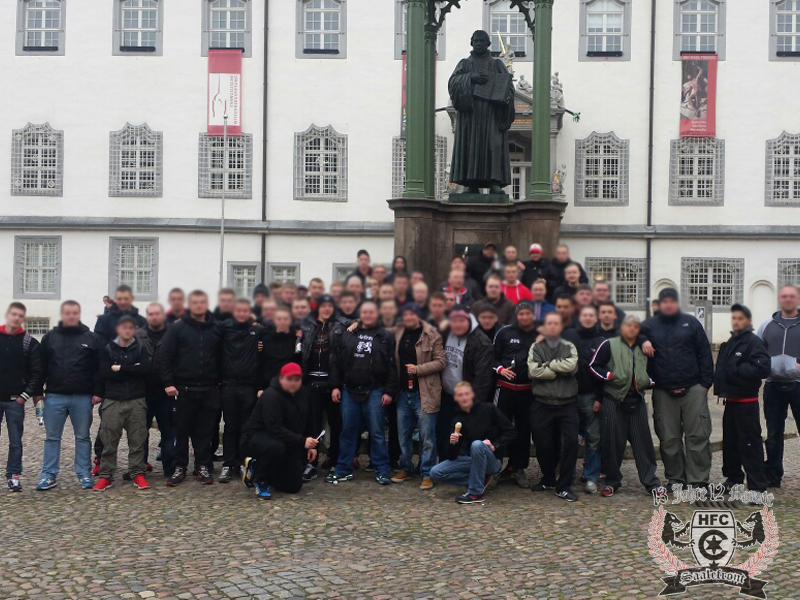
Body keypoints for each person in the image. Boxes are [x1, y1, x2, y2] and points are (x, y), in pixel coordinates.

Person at [641, 288, 714, 489]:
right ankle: (676, 479)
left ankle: (698, 480)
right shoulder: (649, 325)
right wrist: (643, 339)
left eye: (672, 301)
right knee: (669, 438)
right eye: (665, 301)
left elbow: (704, 352)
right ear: (659, 304)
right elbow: (632, 334)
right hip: (663, 390)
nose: (668, 305)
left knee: (697, 436)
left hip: (693, 388)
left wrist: (705, 383)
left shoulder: (690, 323)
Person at [589, 315, 662, 496]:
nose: (631, 329)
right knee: (612, 444)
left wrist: (649, 381)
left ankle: (651, 483)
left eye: (635, 326)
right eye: (628, 325)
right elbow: (593, 366)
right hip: (613, 400)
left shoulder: (645, 347)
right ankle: (612, 481)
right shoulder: (609, 344)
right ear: (622, 327)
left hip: (636, 401)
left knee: (643, 444)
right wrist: (609, 376)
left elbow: (654, 369)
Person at [326, 301, 398, 485]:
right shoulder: (348, 334)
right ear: (360, 314)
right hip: (349, 391)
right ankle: (343, 468)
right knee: (348, 432)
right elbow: (336, 362)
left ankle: (382, 469)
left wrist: (389, 391)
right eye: (364, 312)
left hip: (375, 391)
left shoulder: (386, 336)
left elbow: (392, 366)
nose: (367, 315)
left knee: (377, 433)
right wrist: (335, 385)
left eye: (371, 312)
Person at [36, 301, 103, 491]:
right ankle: (48, 475)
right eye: (68, 313)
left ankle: (84, 474)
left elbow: (98, 368)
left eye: (74, 313)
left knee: (82, 437)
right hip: (54, 396)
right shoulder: (50, 338)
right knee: (52, 438)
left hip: (82, 397)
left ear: (78, 314)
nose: (71, 316)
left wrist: (98, 392)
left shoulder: (91, 338)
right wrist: (37, 393)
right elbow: (41, 367)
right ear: (63, 314)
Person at [159, 290, 223, 486]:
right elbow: (165, 357)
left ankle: (202, 466)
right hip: (183, 389)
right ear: (190, 305)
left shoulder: (216, 329)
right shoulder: (177, 329)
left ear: (206, 304)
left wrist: (220, 381)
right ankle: (180, 467)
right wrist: (168, 383)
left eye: (202, 302)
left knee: (204, 431)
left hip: (209, 388)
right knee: (181, 430)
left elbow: (222, 356)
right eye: (195, 302)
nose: (198, 305)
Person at [430, 381, 516, 504]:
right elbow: (452, 456)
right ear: (455, 398)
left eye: (466, 394)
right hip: (471, 460)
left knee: (477, 445)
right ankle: (480, 478)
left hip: (492, 460)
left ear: (472, 395)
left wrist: (494, 445)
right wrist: (453, 443)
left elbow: (511, 432)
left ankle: (475, 493)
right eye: (460, 395)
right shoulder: (458, 420)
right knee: (435, 472)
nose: (464, 397)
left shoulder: (489, 409)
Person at [241, 363, 317, 499]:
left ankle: (258, 466)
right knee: (277, 448)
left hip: (285, 439)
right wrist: (302, 441)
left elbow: (310, 420)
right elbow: (274, 428)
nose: (293, 383)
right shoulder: (271, 396)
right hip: (256, 437)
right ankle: (260, 479)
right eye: (289, 379)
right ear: (281, 379)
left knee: (293, 486)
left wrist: (311, 444)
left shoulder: (304, 394)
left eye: (297, 379)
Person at [715, 304, 771, 493]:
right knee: (730, 444)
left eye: (740, 318)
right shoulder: (731, 341)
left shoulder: (754, 342)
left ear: (748, 321)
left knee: (750, 444)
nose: (736, 321)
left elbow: (763, 368)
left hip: (747, 403)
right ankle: (733, 479)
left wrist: (738, 370)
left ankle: (757, 486)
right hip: (731, 401)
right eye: (734, 318)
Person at [93, 316, 152, 492]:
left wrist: (120, 368)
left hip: (136, 399)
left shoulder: (141, 348)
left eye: (130, 328)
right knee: (109, 440)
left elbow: (146, 370)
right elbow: (105, 373)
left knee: (137, 439)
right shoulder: (107, 349)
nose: (127, 330)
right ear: (118, 330)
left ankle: (137, 473)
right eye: (124, 327)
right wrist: (133, 368)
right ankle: (106, 475)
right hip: (113, 400)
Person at [391, 304, 445, 489]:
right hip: (403, 392)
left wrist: (418, 370)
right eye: (405, 314)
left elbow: (441, 362)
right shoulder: (398, 332)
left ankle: (427, 472)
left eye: (412, 314)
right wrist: (357, 322)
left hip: (425, 393)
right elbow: (375, 326)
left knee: (427, 437)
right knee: (403, 434)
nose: (408, 318)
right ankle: (406, 466)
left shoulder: (432, 335)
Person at [527, 312, 580, 502]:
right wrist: (557, 370)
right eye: (548, 323)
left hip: (567, 403)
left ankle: (563, 485)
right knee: (543, 444)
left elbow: (572, 366)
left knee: (571, 442)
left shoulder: (569, 346)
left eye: (555, 323)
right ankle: (548, 478)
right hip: (542, 403)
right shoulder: (536, 346)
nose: (552, 327)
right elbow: (533, 371)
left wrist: (547, 365)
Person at [437, 305, 494, 461]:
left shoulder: (481, 342)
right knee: (444, 433)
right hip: (445, 395)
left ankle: (468, 470)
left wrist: (472, 404)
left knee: (466, 436)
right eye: (454, 321)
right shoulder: (444, 334)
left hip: (467, 400)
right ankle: (445, 465)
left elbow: (483, 378)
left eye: (461, 320)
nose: (458, 324)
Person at [756, 284, 800, 488]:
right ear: (779, 299)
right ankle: (773, 474)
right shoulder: (767, 324)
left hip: (799, 385)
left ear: (797, 299)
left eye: (792, 296)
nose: (788, 299)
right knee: (774, 433)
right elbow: (757, 351)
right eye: (784, 296)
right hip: (773, 385)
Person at [300, 294, 349, 475]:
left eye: (330, 306)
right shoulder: (307, 325)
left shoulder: (340, 325)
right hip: (310, 381)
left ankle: (335, 459)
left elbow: (339, 358)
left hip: (331, 382)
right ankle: (311, 462)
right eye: (324, 305)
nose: (327, 309)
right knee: (313, 424)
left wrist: (337, 384)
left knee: (336, 424)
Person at [493, 301, 540, 488]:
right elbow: (492, 357)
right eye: (521, 314)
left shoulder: (539, 334)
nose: (525, 317)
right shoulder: (504, 332)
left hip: (527, 392)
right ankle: (495, 467)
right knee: (499, 428)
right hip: (504, 388)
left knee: (523, 430)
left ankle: (518, 468)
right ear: (517, 315)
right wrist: (500, 370)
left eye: (528, 314)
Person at [218, 299, 265, 483]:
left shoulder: (258, 331)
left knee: (246, 427)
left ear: (250, 313)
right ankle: (229, 464)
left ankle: (244, 461)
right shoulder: (224, 329)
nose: (241, 314)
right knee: (230, 427)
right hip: (229, 385)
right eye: (238, 310)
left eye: (245, 311)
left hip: (249, 387)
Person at [0, 303, 43, 492]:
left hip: (14, 400)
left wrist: (24, 396)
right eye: (13, 314)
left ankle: (14, 475)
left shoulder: (28, 342)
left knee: (15, 440)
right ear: (7, 315)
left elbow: (37, 373)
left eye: (20, 315)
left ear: (23, 319)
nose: (16, 318)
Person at [562, 305, 604, 493]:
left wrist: (600, 398)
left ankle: (591, 476)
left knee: (593, 438)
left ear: (596, 319)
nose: (587, 318)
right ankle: (567, 475)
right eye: (584, 315)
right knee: (569, 438)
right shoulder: (569, 335)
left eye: (591, 316)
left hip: (591, 396)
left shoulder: (602, 341)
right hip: (569, 395)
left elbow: (605, 371)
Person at [136, 303, 174, 477]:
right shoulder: (138, 335)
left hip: (166, 391)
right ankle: (140, 466)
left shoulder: (173, 334)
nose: (154, 317)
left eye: (157, 313)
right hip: (143, 391)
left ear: (163, 315)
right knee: (141, 432)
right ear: (147, 316)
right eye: (150, 314)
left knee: (167, 431)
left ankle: (169, 467)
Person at [262, 306, 302, 383]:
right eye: (279, 319)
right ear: (274, 320)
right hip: (269, 382)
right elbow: (261, 363)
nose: (282, 322)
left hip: (290, 382)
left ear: (290, 320)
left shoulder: (296, 339)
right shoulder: (266, 339)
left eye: (285, 319)